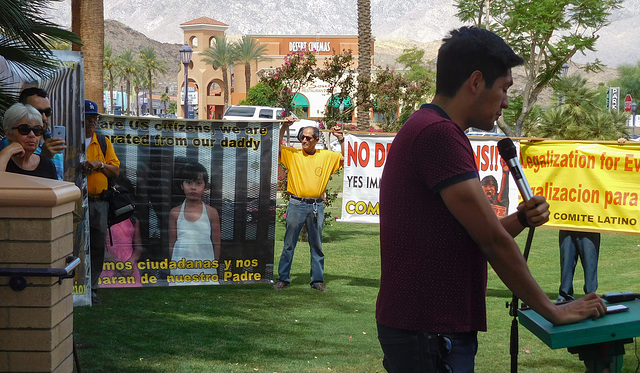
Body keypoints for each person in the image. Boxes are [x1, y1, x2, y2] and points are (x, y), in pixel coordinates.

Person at [376, 26, 606, 373]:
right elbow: (491, 241)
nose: (506, 101)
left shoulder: (433, 128)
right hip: (429, 332)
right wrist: (554, 309)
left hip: (426, 329)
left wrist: (522, 219)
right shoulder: (439, 135)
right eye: (504, 88)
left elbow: (468, 235)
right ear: (475, 82)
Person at [273, 122, 345, 292]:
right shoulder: (293, 154)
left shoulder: (326, 156)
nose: (304, 140)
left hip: (316, 206)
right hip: (296, 204)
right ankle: (283, 278)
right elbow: (275, 148)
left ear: (316, 139)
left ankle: (317, 281)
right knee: (289, 244)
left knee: (317, 246)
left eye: (308, 137)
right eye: (302, 137)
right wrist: (283, 127)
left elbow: (346, 157)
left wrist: (341, 139)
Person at [83, 99, 120, 304]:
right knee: (75, 242)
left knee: (97, 245)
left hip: (98, 202)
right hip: (76, 201)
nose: (91, 121)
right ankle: (75, 284)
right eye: (87, 117)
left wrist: (99, 165)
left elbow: (115, 170)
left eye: (94, 118)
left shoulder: (103, 142)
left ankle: (93, 288)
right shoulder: (72, 140)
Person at [168, 161, 221, 286]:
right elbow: (172, 244)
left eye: (198, 183)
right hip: (181, 268)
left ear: (205, 186)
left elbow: (217, 245)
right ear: (182, 185)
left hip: (205, 268)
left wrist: (213, 267)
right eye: (188, 182)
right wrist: (174, 266)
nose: (193, 187)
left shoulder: (211, 213)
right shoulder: (175, 213)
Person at [0, 87, 67, 179]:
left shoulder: (52, 142)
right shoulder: (7, 147)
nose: (44, 118)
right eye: (24, 129)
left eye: (47, 112)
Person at [101, 173, 143, 288]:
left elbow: (138, 246)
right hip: (108, 269)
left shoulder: (133, 220)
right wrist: (117, 263)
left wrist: (131, 262)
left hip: (130, 267)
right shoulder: (104, 220)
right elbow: (101, 247)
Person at [558, 230, 601, 302]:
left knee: (590, 265)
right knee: (566, 263)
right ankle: (565, 297)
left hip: (590, 227)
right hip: (567, 225)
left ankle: (590, 297)